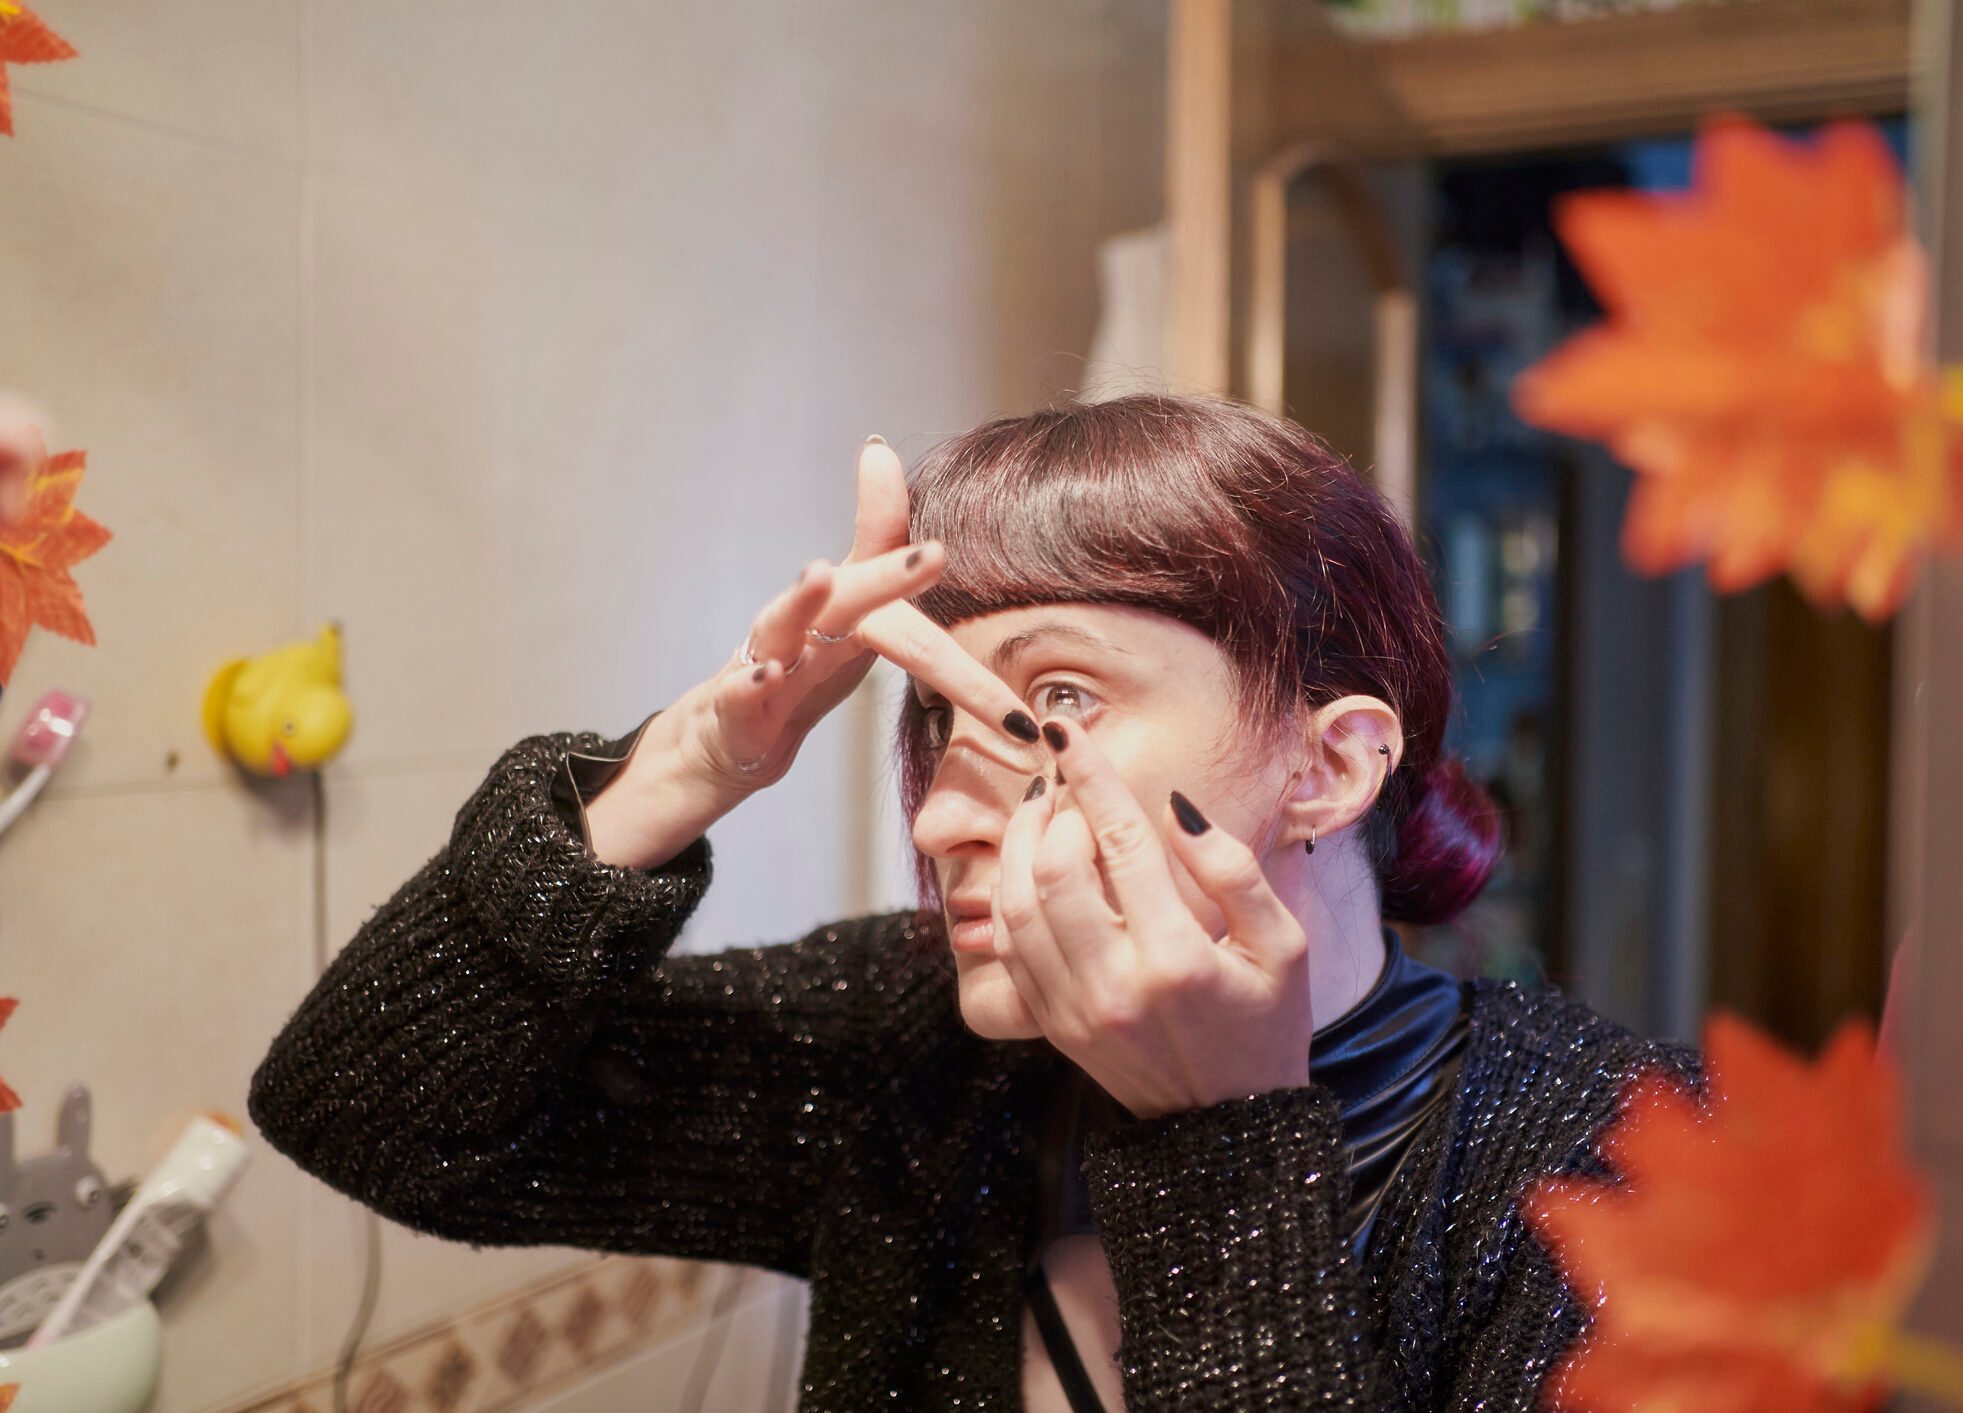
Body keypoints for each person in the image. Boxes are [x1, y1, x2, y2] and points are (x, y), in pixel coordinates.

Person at [250, 394, 1695, 1412]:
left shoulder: (1633, 1163)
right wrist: (683, 765)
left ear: (1330, 764)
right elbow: (364, 1109)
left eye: (1052, 700)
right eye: (936, 723)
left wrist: (1223, 1148)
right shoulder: (912, 1041)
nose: (940, 812)